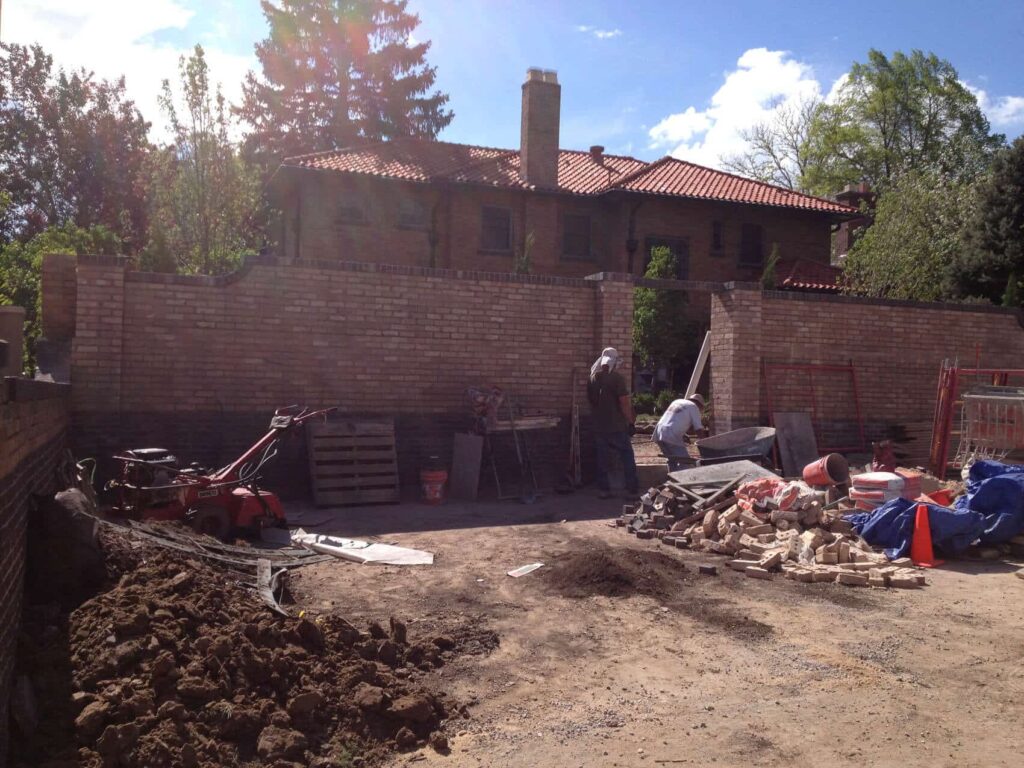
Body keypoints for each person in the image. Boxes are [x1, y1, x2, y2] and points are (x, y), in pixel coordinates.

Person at [586, 347, 638, 499]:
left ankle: (604, 490)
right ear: (614, 362)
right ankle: (632, 490)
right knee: (627, 455)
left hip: (599, 426)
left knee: (602, 459)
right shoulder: (617, 378)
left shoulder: (592, 378)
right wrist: (631, 422)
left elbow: (592, 402)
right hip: (617, 426)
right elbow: (624, 403)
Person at [652, 394, 707, 471]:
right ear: (699, 405)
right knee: (685, 462)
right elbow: (698, 429)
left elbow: (673, 420)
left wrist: (683, 435)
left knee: (672, 461)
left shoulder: (677, 401)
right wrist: (705, 444)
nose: (700, 411)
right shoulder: (694, 407)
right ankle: (683, 478)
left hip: (659, 432)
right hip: (671, 435)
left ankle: (671, 477)